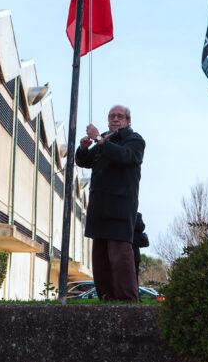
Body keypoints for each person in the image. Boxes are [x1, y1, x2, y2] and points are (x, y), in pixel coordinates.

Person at [76, 105, 145, 302]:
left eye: (120, 116)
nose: (115, 119)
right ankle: (106, 299)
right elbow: (84, 161)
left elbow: (125, 156)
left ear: (128, 121)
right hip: (99, 208)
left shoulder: (135, 139)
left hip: (120, 208)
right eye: (112, 116)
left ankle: (127, 300)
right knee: (100, 257)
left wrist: (99, 139)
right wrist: (83, 148)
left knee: (119, 255)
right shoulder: (105, 140)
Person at [132, 212, 149, 281]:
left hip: (134, 253)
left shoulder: (137, 215)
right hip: (122, 250)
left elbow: (141, 226)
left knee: (134, 277)